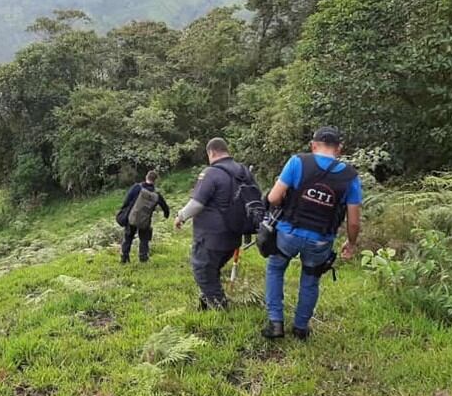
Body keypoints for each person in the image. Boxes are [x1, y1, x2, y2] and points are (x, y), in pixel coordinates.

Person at [261, 126, 363, 341]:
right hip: (320, 240)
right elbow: (353, 221)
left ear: (313, 145)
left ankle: (275, 323)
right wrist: (351, 244)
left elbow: (273, 198)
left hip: (288, 233)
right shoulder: (350, 176)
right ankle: (300, 328)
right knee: (310, 279)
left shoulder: (298, 161)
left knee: (276, 269)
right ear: (339, 149)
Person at [174, 138, 252, 310]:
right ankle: (204, 306)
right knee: (212, 269)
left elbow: (197, 204)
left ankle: (220, 310)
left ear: (211, 152)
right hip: (234, 236)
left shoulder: (211, 173)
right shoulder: (243, 171)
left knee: (202, 271)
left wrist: (180, 216)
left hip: (211, 237)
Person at [118, 170, 170, 263]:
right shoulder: (156, 195)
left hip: (132, 217)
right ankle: (143, 258)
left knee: (128, 237)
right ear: (155, 181)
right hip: (145, 220)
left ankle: (124, 258)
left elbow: (127, 200)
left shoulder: (137, 187)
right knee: (144, 239)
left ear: (146, 177)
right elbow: (165, 207)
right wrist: (166, 215)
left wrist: (123, 210)